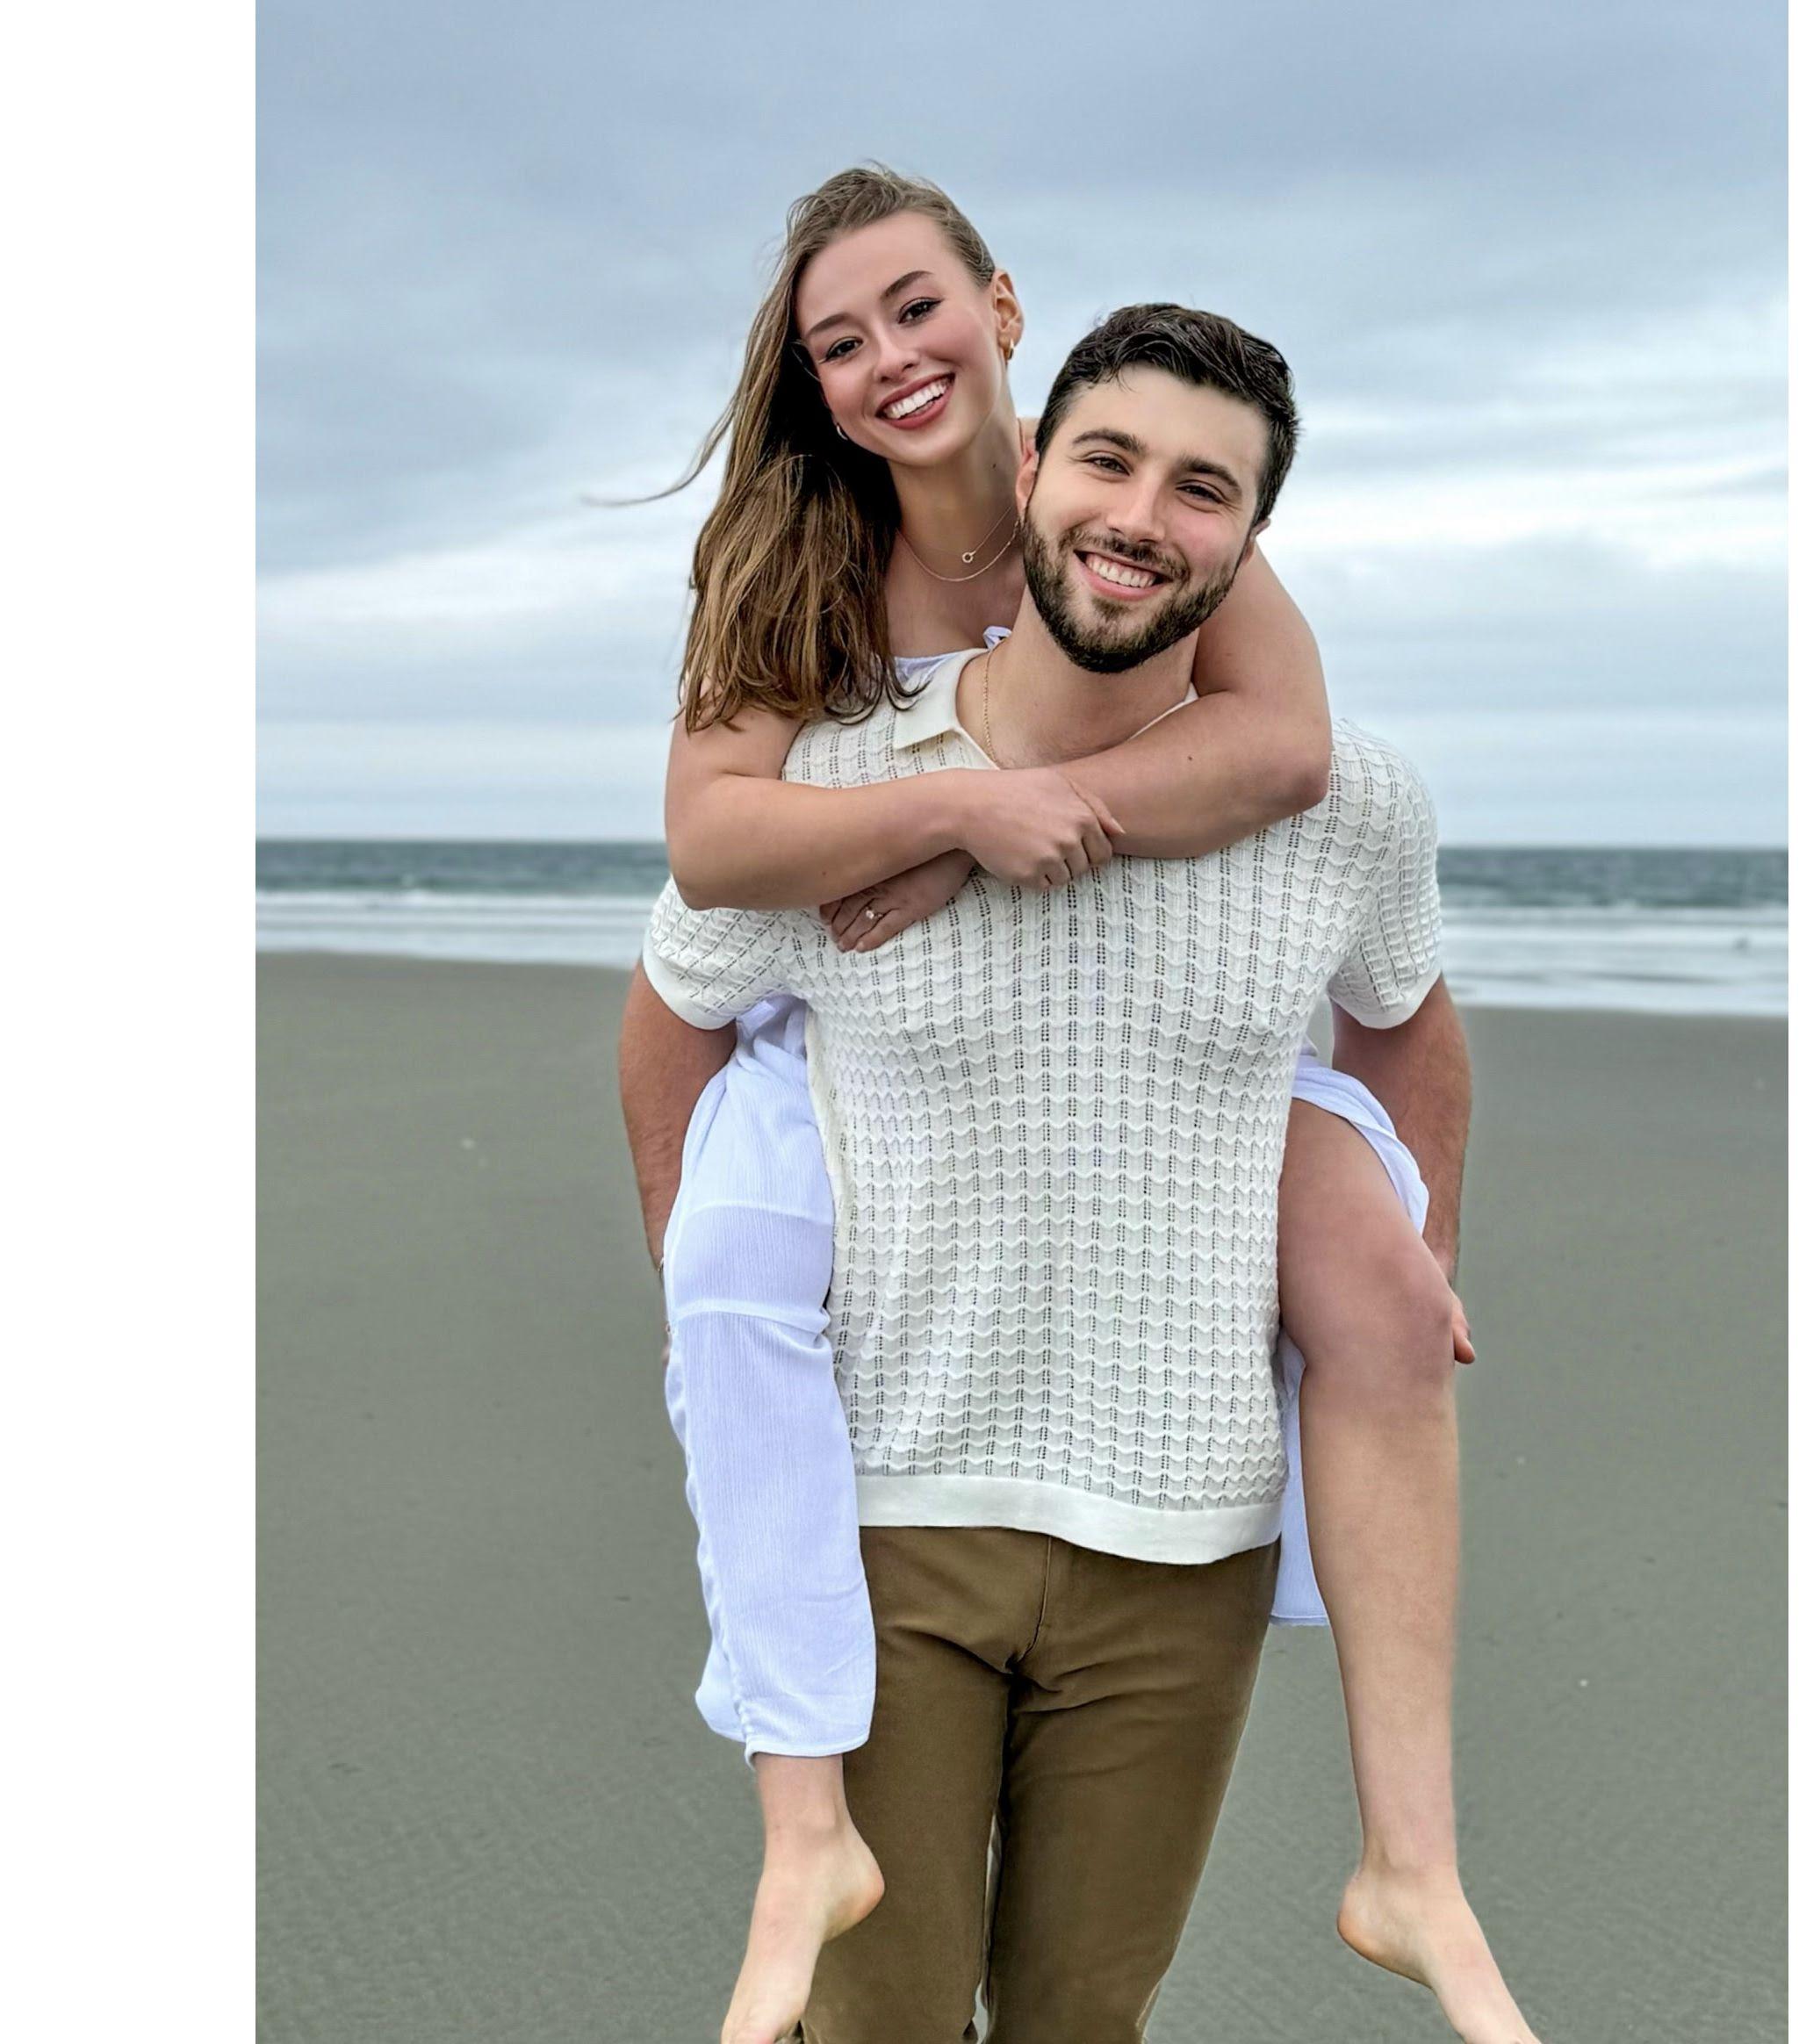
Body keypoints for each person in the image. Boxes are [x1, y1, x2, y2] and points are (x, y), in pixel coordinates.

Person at [618, 172, 1536, 2044]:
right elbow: (697, 915)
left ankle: (1416, 1865)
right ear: (1045, 480)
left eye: (1202, 492)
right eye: (841, 339)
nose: (1138, 517)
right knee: (871, 2024)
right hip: (903, 1500)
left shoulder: (1330, 791)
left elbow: (1381, 970)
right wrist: (952, 807)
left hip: (1178, 1523)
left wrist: (1416, 1243)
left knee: (1082, 2021)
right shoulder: (832, 717)